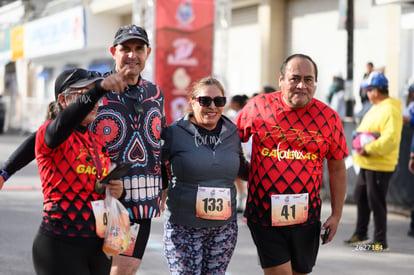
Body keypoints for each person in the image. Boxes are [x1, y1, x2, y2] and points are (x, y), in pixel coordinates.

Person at [0, 24, 166, 275]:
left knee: (127, 270)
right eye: (125, 49)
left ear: (148, 52)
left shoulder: (155, 93)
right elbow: (42, 136)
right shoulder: (98, 90)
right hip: (100, 205)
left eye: (139, 48)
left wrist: (163, 184)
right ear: (114, 51)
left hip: (140, 201)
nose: (132, 55)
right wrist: (5, 171)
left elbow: (158, 140)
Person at [235, 53, 348, 274]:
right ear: (281, 80)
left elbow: (337, 169)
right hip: (264, 212)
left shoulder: (329, 118)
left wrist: (336, 215)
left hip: (307, 217)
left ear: (315, 83)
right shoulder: (257, 107)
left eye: (308, 79)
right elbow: (228, 140)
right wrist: (243, 169)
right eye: (294, 78)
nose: (301, 85)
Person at [30, 68, 126, 274]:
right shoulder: (51, 134)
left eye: (94, 95)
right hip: (60, 244)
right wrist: (99, 89)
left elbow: (100, 189)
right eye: (84, 93)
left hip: (98, 245)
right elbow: (65, 121)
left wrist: (117, 190)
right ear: (63, 100)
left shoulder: (97, 141)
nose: (94, 101)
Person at [161, 77, 249, 274]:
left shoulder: (232, 132)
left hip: (223, 229)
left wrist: (279, 169)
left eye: (218, 101)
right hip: (183, 226)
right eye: (204, 101)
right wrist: (161, 189)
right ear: (192, 102)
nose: (212, 106)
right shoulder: (174, 133)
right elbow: (154, 164)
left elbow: (242, 169)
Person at [345, 71, 402, 251]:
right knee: (360, 196)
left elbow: (391, 139)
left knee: (376, 201)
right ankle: (361, 233)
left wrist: (367, 148)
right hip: (366, 162)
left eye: (369, 90)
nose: (367, 94)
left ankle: (380, 240)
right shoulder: (376, 107)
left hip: (379, 163)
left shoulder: (390, 109)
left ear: (376, 90)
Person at [229, 94, 250, 212]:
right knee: (239, 182)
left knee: (241, 181)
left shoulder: (241, 115)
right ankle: (241, 203)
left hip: (244, 152)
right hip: (242, 152)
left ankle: (242, 204)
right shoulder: (239, 114)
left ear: (236, 103)